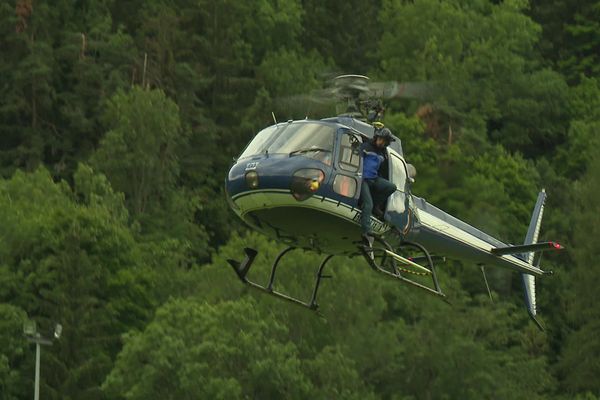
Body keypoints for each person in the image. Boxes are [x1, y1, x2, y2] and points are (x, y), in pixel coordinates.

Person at [359, 126, 397, 253]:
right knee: (367, 204)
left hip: (374, 179)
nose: (382, 143)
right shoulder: (365, 147)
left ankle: (376, 205)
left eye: (385, 141)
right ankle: (366, 232)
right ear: (377, 137)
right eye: (381, 139)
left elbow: (382, 170)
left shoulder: (383, 153)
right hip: (363, 180)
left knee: (391, 187)